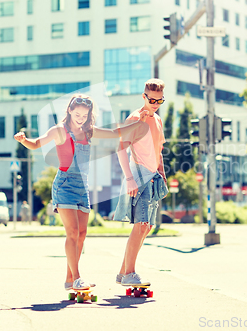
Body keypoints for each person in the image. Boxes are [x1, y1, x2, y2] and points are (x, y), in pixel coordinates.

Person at [14, 94, 148, 291]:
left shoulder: (89, 132)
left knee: (82, 234)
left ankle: (70, 279)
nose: (81, 118)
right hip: (65, 185)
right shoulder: (59, 131)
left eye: (85, 115)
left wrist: (137, 124)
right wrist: (23, 140)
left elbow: (114, 132)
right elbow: (36, 144)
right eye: (77, 114)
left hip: (82, 186)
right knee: (73, 233)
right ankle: (77, 277)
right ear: (69, 110)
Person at [114, 79, 169, 287]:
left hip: (153, 176)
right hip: (138, 174)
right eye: (151, 99)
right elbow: (121, 148)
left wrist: (162, 175)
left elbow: (158, 150)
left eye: (159, 100)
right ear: (144, 96)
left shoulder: (157, 120)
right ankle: (130, 273)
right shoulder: (136, 118)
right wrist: (129, 178)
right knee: (141, 224)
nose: (155, 103)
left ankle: (122, 273)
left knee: (147, 227)